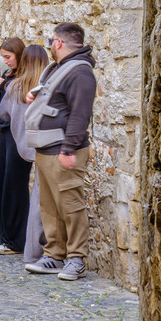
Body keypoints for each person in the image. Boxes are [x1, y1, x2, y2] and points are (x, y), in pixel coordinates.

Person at [24, 21, 98, 279]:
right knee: (50, 206)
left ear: (58, 42)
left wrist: (69, 148)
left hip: (64, 150)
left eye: (51, 41)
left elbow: (80, 113)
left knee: (70, 204)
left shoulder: (80, 72)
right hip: (46, 148)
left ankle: (76, 258)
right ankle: (54, 255)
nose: (50, 46)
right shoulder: (60, 69)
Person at [6, 40, 49, 265]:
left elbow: (4, 112)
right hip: (46, 146)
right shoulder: (47, 86)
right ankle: (37, 250)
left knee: (22, 194)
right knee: (42, 198)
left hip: (21, 144)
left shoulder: (16, 86)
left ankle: (29, 248)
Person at [0, 36, 32, 253]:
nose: (5, 61)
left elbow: (20, 101)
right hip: (4, 132)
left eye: (8, 57)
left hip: (18, 134)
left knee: (14, 186)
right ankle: (5, 237)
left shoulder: (26, 77)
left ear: (19, 55)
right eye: (3, 57)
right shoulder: (8, 75)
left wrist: (6, 86)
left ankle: (16, 240)